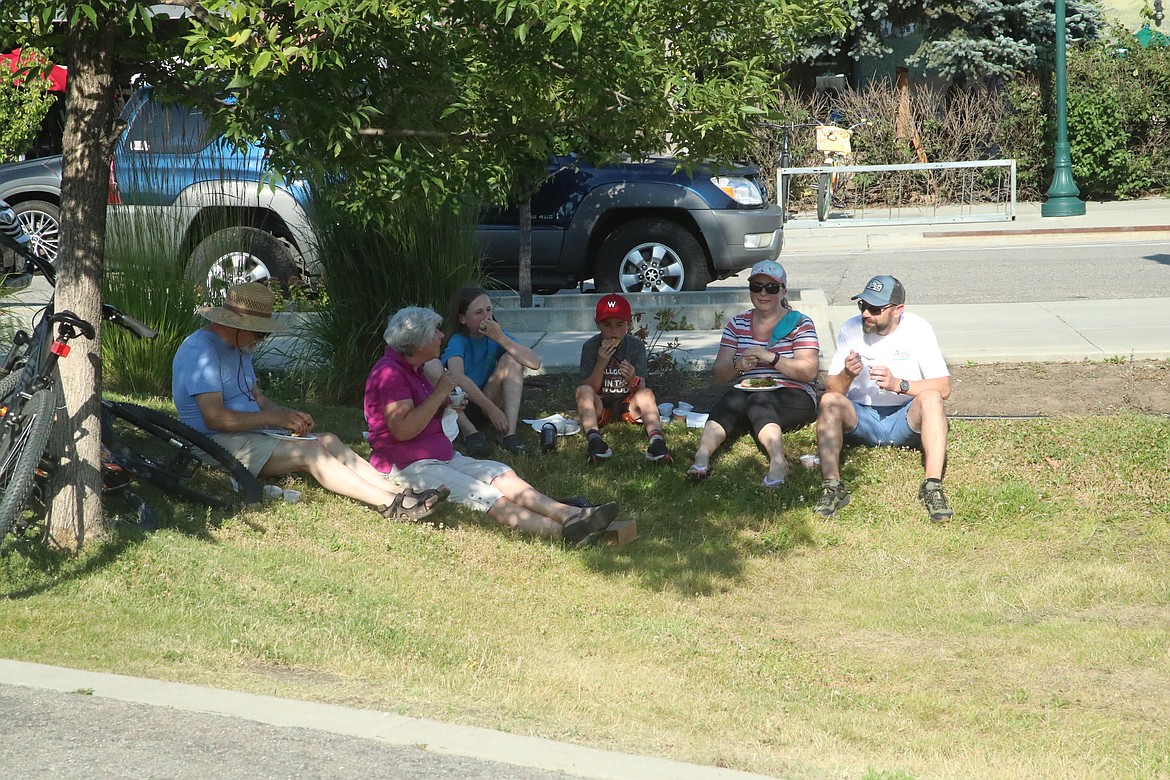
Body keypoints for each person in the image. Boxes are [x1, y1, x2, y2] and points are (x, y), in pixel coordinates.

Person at [172, 282, 446, 521]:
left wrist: (286, 414)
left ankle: (398, 492)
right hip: (214, 443)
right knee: (310, 453)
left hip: (247, 435)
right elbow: (215, 419)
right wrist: (273, 418)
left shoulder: (237, 347)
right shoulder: (202, 352)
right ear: (235, 326)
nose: (261, 340)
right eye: (259, 333)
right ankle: (391, 505)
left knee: (327, 440)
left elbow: (256, 398)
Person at [366, 306, 618, 546]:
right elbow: (403, 430)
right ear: (418, 344)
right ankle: (563, 533)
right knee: (483, 494)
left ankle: (571, 514)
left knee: (500, 473)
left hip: (440, 455)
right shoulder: (391, 374)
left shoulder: (413, 367)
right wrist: (439, 394)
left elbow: (420, 415)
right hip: (409, 465)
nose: (441, 335)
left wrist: (445, 405)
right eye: (435, 332)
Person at [813, 275, 953, 522]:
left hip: (904, 416)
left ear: (898, 310)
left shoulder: (918, 329)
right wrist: (847, 374)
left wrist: (898, 384)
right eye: (862, 306)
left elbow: (943, 387)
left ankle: (933, 487)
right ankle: (832, 486)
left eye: (875, 309)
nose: (866, 313)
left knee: (931, 397)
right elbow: (832, 389)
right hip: (862, 417)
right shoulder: (850, 328)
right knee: (828, 402)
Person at [685, 260, 819, 487]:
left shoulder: (800, 323)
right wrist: (739, 366)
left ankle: (778, 462)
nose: (763, 293)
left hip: (795, 396)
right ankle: (702, 457)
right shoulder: (738, 324)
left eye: (771, 287)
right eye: (756, 286)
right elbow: (719, 374)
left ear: (783, 291)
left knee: (758, 400)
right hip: (746, 393)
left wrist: (772, 358)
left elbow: (808, 372)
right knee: (731, 399)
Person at [435, 287, 541, 457]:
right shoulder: (458, 340)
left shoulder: (496, 335)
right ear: (462, 318)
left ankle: (509, 435)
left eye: (489, 310)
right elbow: (457, 377)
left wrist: (501, 338)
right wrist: (491, 409)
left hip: (486, 399)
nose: (486, 317)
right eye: (478, 312)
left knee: (512, 359)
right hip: (460, 406)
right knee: (446, 376)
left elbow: (534, 363)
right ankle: (470, 433)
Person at [576, 293, 672, 464]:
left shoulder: (635, 346)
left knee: (647, 393)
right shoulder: (590, 347)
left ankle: (657, 442)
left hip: (627, 405)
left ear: (629, 324)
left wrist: (632, 378)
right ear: (597, 324)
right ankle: (594, 440)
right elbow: (589, 388)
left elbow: (641, 386)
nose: (613, 331)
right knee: (582, 391)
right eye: (607, 325)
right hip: (602, 404)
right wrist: (601, 363)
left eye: (619, 325)